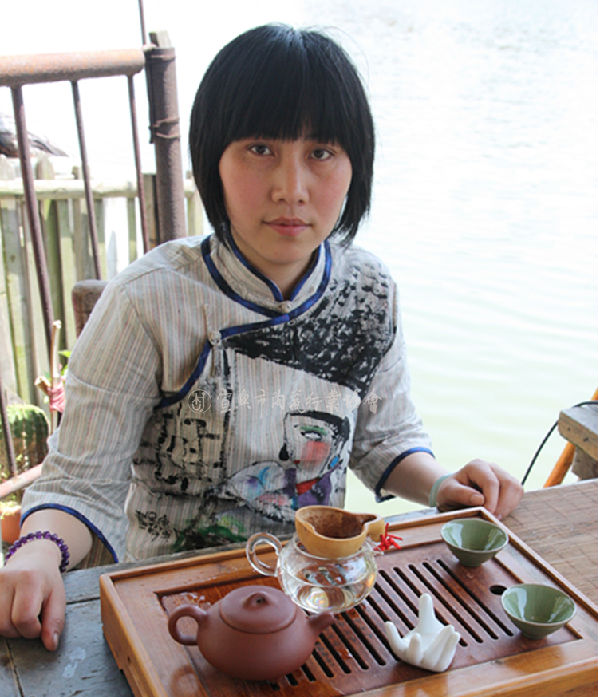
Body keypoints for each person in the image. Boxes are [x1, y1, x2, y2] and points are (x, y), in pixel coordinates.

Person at [0, 24, 522, 652]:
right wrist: (37, 552)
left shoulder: (369, 290)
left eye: (321, 152)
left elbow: (384, 440)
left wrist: (443, 485)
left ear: (355, 165)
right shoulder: (148, 300)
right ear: (212, 161)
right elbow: (81, 483)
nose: (290, 188)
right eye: (259, 148)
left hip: (316, 600)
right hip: (173, 613)